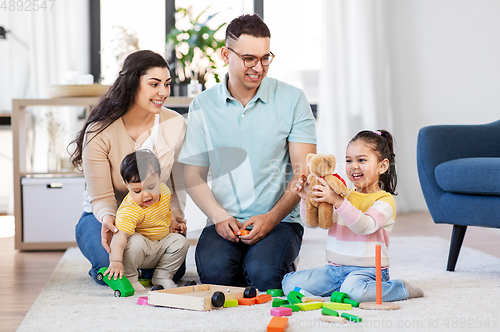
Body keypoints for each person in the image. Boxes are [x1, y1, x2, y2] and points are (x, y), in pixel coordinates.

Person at [178, 14, 317, 291]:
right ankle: (251, 261)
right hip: (223, 220)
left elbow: (304, 173)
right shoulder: (202, 105)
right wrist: (219, 217)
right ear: (225, 54)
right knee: (216, 276)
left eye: (266, 58)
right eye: (249, 58)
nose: (259, 67)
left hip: (279, 220)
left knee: (265, 276)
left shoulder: (292, 99)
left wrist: (271, 218)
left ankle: (267, 260)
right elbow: (192, 174)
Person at [70, 50, 187, 285]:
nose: (163, 92)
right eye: (154, 84)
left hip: (151, 216)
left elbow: (176, 186)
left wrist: (176, 217)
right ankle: (103, 267)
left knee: (176, 268)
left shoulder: (175, 124)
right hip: (103, 217)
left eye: (166, 84)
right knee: (114, 267)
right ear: (133, 84)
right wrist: (108, 220)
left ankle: (142, 265)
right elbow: (101, 197)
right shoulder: (99, 130)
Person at [282, 130, 424, 302]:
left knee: (356, 292)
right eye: (349, 160)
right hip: (334, 270)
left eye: (362, 160)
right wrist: (306, 199)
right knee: (289, 283)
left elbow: (363, 226)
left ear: (383, 166)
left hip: (367, 271)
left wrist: (337, 201)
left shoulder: (384, 201)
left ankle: (400, 288)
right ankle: (344, 290)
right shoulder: (343, 195)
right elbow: (313, 224)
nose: (354, 166)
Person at [104, 150, 188, 291]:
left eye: (151, 187)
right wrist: (115, 261)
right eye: (137, 191)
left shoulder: (164, 191)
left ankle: (162, 276)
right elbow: (119, 238)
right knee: (135, 241)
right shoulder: (130, 209)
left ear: (159, 178)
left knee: (181, 242)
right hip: (141, 251)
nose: (146, 195)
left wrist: (173, 222)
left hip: (160, 244)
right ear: (127, 185)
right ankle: (130, 278)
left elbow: (167, 211)